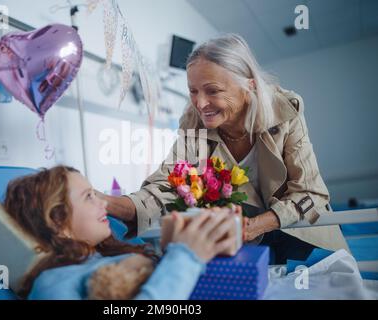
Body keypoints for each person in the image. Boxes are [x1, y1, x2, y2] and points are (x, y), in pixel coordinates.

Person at [100, 34, 349, 264]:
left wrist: (255, 225)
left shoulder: (284, 113)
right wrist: (108, 203)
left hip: (299, 232)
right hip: (243, 242)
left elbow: (310, 192)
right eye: (193, 91)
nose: (200, 103)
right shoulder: (194, 124)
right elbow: (167, 185)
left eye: (213, 91)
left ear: (249, 85)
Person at [4, 165, 239, 299]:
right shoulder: (53, 286)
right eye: (89, 197)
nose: (103, 204)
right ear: (57, 220)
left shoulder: (108, 256)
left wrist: (172, 251)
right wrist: (185, 256)